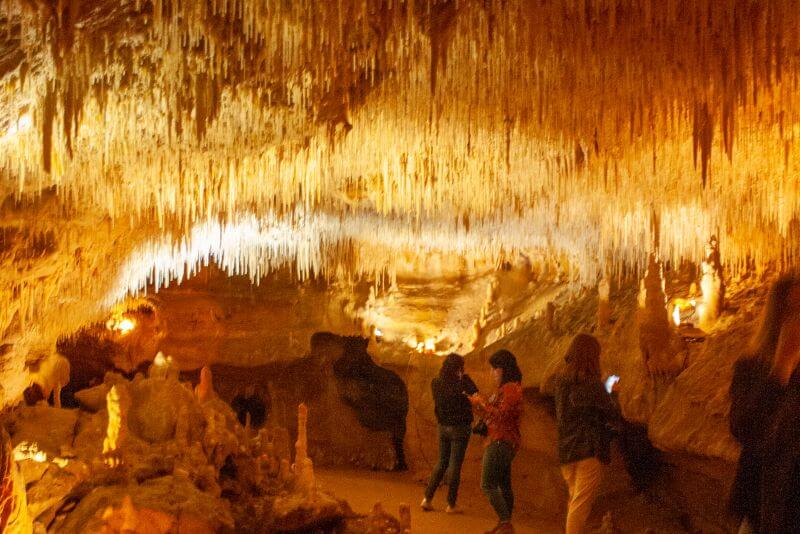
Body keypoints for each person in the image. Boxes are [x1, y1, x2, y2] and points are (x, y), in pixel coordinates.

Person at [729, 275, 800, 533]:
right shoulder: (752, 367)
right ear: (777, 319)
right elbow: (745, 430)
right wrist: (782, 367)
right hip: (765, 505)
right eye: (793, 312)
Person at [555, 333, 620, 534]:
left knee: (575, 499)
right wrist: (612, 392)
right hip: (588, 451)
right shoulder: (594, 386)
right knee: (580, 504)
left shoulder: (561, 382)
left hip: (566, 450)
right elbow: (612, 413)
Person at [470, 349, 523, 534]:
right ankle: (503, 525)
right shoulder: (506, 389)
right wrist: (479, 405)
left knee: (487, 484)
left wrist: (482, 404)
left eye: (493, 369)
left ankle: (506, 523)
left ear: (501, 369)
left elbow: (502, 415)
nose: (492, 373)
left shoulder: (510, 389)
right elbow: (493, 413)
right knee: (503, 484)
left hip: (501, 441)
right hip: (500, 439)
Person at [421, 353, 479, 513]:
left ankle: (427, 499)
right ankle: (451, 504)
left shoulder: (436, 383)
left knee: (441, 463)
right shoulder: (462, 383)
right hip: (460, 428)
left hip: (443, 427)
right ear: (459, 368)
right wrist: (464, 378)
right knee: (454, 466)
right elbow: (475, 394)